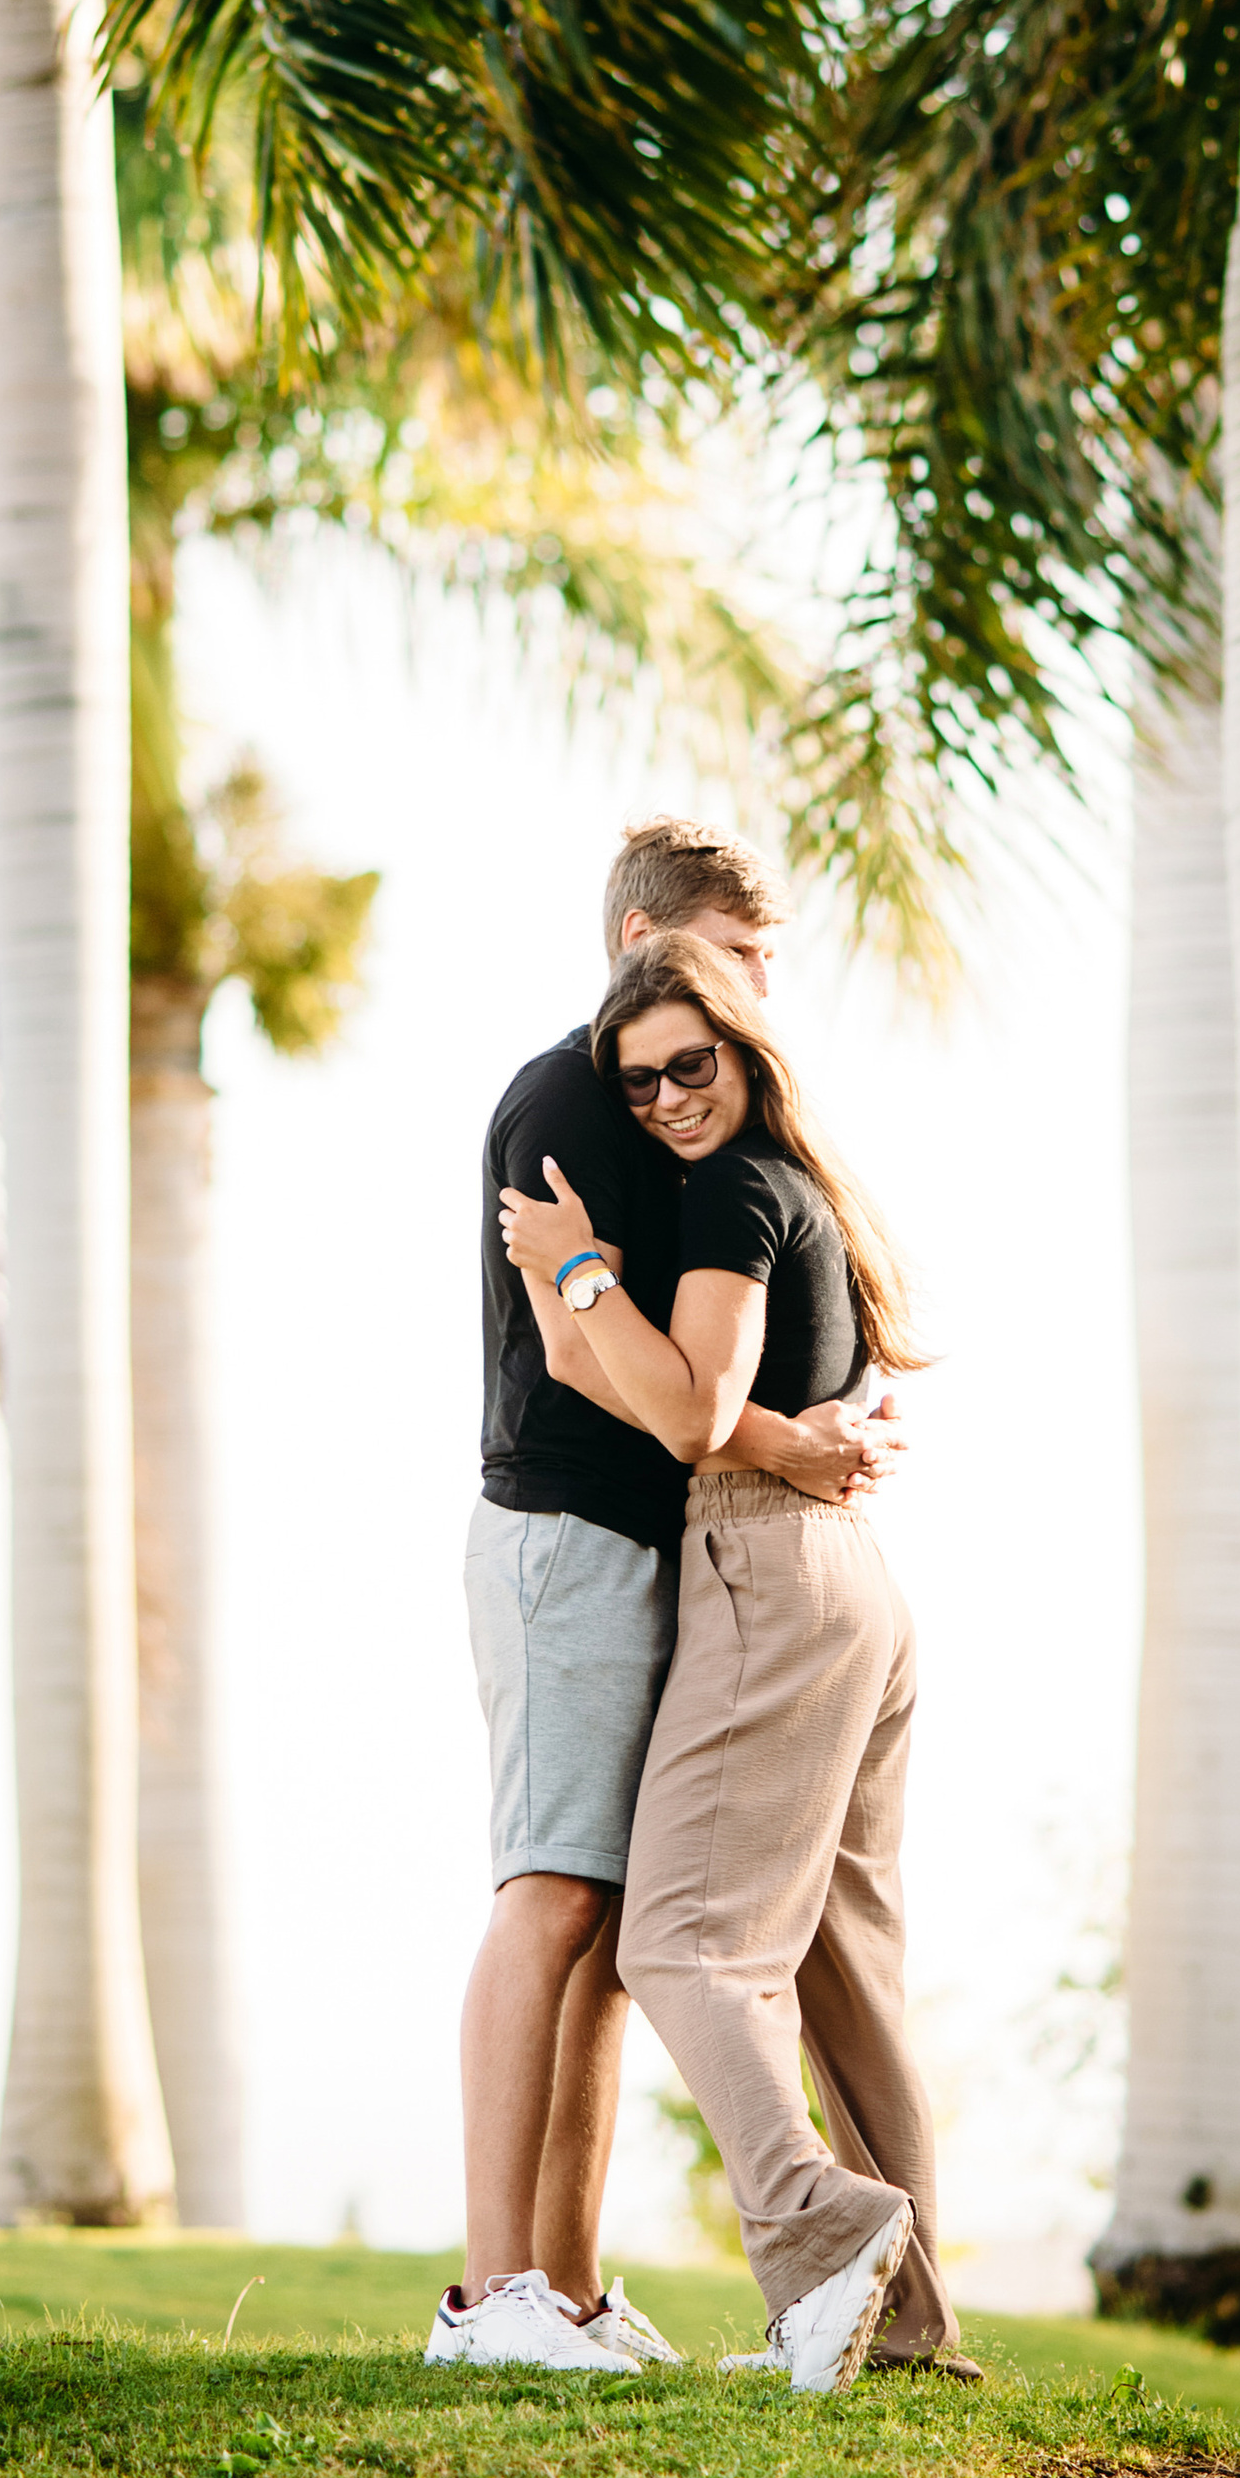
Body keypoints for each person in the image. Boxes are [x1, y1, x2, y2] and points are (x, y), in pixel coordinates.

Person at [427, 822, 908, 2375]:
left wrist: (799, 1442)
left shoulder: (717, 1142)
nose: (761, 992)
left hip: (662, 1553)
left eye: (767, 968)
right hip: (566, 1535)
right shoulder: (570, 1092)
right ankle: (494, 2296)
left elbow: (696, 1355)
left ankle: (563, 2293)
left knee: (624, 1922)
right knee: (552, 1894)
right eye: (734, 956)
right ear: (645, 937)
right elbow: (587, 1348)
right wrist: (796, 1449)